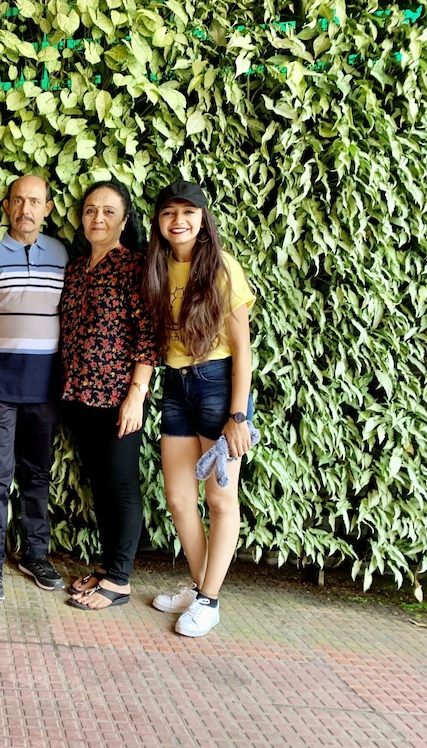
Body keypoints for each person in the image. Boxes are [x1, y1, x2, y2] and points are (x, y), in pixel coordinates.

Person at [142, 179, 256, 637]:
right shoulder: (158, 267)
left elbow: (243, 348)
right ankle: (200, 587)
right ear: (159, 221)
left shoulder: (222, 266)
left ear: (203, 220)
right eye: (169, 213)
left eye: (188, 212)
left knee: (220, 499)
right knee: (178, 498)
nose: (179, 221)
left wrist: (238, 415)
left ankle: (208, 601)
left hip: (218, 385)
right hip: (176, 386)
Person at [0, 174, 68, 601]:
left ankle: (34, 554)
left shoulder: (62, 256)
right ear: (7, 206)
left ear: (47, 208)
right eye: (19, 200)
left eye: (35, 201)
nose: (26, 209)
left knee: (37, 474)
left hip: (46, 387)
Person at [59, 181, 158, 611]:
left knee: (120, 485)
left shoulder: (134, 267)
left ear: (124, 220)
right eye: (90, 210)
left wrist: (136, 395)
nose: (97, 218)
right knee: (99, 485)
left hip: (120, 397)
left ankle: (119, 580)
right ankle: (106, 567)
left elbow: (149, 336)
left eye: (108, 211)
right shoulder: (76, 268)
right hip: (80, 395)